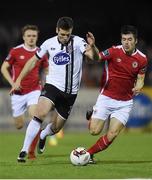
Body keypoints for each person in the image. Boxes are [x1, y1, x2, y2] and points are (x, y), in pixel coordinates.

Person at [10, 16, 97, 162]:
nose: (64, 38)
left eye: (67, 35)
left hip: (70, 93)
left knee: (56, 128)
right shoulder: (48, 43)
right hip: (52, 86)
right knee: (40, 113)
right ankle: (23, 150)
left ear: (71, 32)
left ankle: (43, 135)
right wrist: (18, 79)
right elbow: (32, 61)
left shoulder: (78, 42)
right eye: (61, 34)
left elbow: (93, 57)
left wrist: (93, 46)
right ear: (57, 30)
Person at [85, 25, 148, 163]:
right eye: (124, 39)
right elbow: (96, 57)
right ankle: (91, 117)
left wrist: (139, 86)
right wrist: (93, 46)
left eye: (130, 39)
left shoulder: (142, 59)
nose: (126, 42)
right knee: (94, 131)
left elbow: (141, 79)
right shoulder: (114, 51)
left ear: (135, 41)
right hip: (106, 97)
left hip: (124, 103)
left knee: (112, 134)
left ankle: (88, 154)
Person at [1, 24, 49, 159]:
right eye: (29, 36)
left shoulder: (41, 52)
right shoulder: (15, 51)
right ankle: (31, 139)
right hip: (17, 94)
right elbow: (4, 68)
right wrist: (13, 84)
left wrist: (47, 82)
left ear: (37, 37)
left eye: (34, 36)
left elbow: (46, 69)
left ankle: (30, 151)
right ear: (23, 37)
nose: (31, 38)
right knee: (19, 125)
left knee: (36, 117)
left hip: (34, 90)